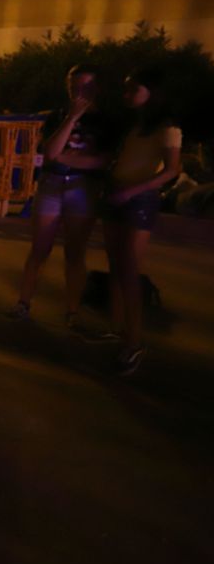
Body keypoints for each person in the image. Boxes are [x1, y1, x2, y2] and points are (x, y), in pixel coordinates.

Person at [10, 65, 113, 330]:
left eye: (85, 87)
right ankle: (23, 302)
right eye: (74, 87)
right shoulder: (57, 116)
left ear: (96, 88)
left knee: (75, 252)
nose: (79, 93)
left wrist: (71, 159)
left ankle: (72, 311)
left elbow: (101, 161)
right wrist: (71, 118)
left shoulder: (105, 121)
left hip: (83, 189)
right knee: (39, 249)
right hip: (52, 186)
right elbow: (51, 152)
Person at [101, 68, 181, 375]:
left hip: (139, 200)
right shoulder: (132, 125)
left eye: (133, 89)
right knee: (115, 266)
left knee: (129, 271)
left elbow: (172, 170)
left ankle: (133, 342)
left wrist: (133, 190)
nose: (126, 95)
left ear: (151, 92)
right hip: (116, 195)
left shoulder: (168, 127)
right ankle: (117, 328)